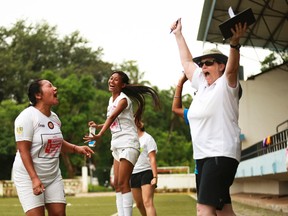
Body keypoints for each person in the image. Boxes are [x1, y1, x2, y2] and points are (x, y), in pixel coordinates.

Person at [171, 18, 247, 216]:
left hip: (219, 154)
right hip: (204, 158)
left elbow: (232, 69)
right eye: (202, 64)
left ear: (220, 66)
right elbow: (187, 62)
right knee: (224, 211)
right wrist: (178, 34)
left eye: (208, 63)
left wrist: (234, 44)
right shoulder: (202, 86)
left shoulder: (226, 86)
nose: (203, 67)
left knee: (203, 210)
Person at [12, 79, 94, 216]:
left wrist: (75, 148)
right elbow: (23, 150)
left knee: (59, 214)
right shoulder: (26, 117)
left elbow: (56, 142)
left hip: (52, 176)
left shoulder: (55, 118)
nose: (55, 88)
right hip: (28, 176)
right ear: (38, 95)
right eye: (50, 86)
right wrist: (34, 178)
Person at [83, 70, 160, 216]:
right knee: (117, 184)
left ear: (123, 85)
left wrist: (99, 135)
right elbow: (114, 121)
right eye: (110, 78)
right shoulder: (111, 101)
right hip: (117, 145)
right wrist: (98, 126)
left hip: (128, 144)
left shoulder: (123, 100)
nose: (111, 81)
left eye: (116, 80)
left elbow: (112, 117)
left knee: (124, 183)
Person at [130, 121, 158, 216]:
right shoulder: (130, 140)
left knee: (147, 202)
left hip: (146, 172)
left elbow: (152, 159)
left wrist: (155, 177)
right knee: (139, 204)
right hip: (133, 174)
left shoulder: (148, 138)